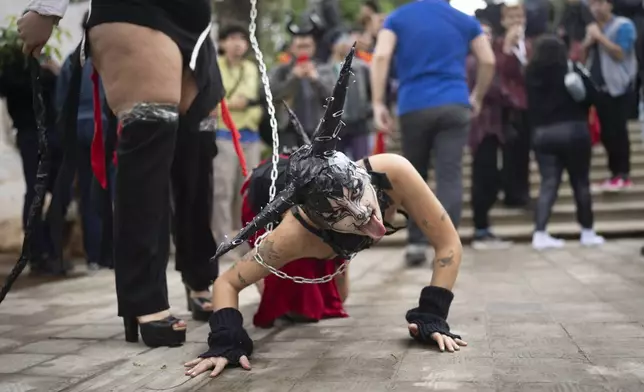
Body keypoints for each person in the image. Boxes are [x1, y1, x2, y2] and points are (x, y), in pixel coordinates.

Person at [183, 48, 467, 378]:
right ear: (319, 220)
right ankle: (278, 281)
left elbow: (449, 245)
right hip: (270, 192)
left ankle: (338, 244)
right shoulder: (292, 236)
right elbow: (225, 285)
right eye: (343, 213)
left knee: (337, 300)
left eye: (359, 194)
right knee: (291, 308)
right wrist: (225, 341)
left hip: (323, 215)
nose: (364, 215)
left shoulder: (393, 173)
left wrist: (432, 315)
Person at [18, 0, 224, 347]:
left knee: (197, 153)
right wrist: (47, 7)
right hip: (131, 10)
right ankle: (143, 297)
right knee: (150, 141)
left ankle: (199, 275)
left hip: (197, 23)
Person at [370, 0, 495, 266]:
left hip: (414, 105)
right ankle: (446, 244)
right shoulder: (463, 20)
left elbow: (381, 56)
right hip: (454, 102)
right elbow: (488, 59)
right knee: (450, 175)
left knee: (414, 177)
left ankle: (416, 243)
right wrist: (478, 96)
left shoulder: (398, 19)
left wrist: (378, 102)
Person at [240, 151, 349, 328]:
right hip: (262, 197)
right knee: (304, 311)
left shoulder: (338, 210)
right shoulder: (283, 232)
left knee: (336, 299)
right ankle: (270, 281)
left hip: (311, 202)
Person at [526, 35, 605, 250]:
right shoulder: (572, 69)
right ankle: (587, 232)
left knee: (548, 183)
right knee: (580, 182)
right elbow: (593, 96)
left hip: (543, 134)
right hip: (574, 131)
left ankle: (540, 233)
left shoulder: (529, 74)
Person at [55, 11, 113, 271]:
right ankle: (109, 255)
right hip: (106, 133)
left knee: (89, 194)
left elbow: (61, 103)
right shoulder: (112, 58)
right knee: (112, 193)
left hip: (79, 133)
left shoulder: (72, 60)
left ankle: (94, 256)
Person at [211, 23, 263, 254]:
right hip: (223, 134)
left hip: (250, 135)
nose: (238, 43)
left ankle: (246, 240)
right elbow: (214, 101)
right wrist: (233, 105)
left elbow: (252, 98)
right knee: (222, 189)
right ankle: (222, 240)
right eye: (231, 38)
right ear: (222, 43)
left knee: (247, 190)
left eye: (242, 38)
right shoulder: (215, 66)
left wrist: (232, 105)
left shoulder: (251, 68)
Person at [467, 19, 513, 250]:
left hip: (488, 128)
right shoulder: (478, 63)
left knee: (488, 178)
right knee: (485, 179)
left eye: (489, 33)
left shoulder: (477, 61)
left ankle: (483, 228)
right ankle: (481, 230)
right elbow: (498, 91)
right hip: (483, 128)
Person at [583, 0, 637, 192]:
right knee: (605, 133)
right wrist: (588, 42)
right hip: (598, 89)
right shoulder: (592, 28)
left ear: (609, 5)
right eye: (593, 5)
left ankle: (623, 174)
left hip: (618, 88)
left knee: (618, 132)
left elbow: (621, 53)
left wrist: (600, 38)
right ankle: (614, 174)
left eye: (600, 3)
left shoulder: (624, 25)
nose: (596, 8)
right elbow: (582, 55)